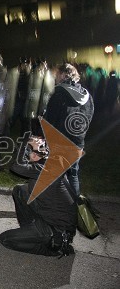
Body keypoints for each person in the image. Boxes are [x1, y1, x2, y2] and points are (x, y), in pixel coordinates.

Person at [0, 136, 76, 257]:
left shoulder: (46, 168)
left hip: (56, 228)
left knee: (5, 239)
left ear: (35, 155)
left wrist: (24, 144)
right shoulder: (47, 163)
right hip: (49, 217)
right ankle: (30, 231)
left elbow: (16, 167)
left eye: (28, 150)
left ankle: (55, 248)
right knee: (21, 190)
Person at [42, 62, 94, 196]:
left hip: (60, 141)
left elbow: (50, 119)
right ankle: (74, 206)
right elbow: (89, 116)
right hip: (78, 141)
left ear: (64, 75)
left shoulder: (59, 93)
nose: (56, 78)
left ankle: (52, 207)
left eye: (57, 74)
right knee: (73, 174)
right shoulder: (86, 94)